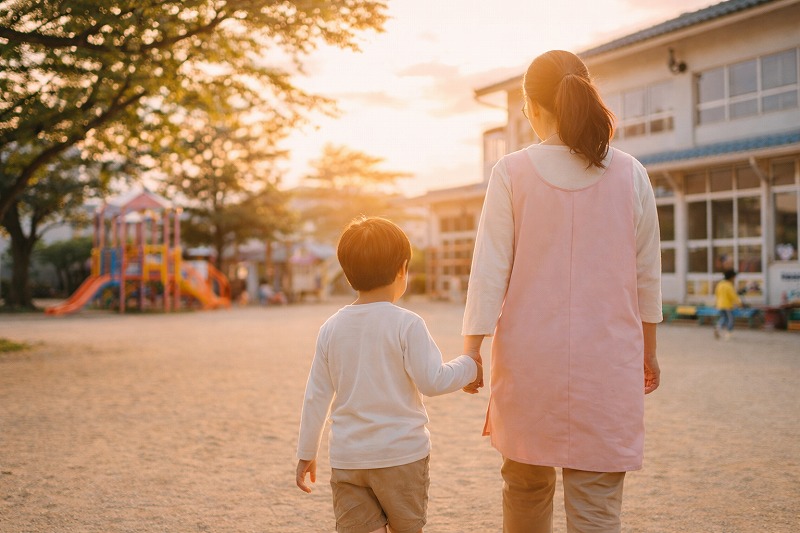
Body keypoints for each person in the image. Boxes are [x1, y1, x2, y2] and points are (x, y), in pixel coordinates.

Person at [461, 50, 663, 533]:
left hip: (530, 363)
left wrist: (472, 350)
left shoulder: (510, 173)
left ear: (531, 107)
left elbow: (489, 270)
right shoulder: (631, 173)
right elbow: (647, 277)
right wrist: (649, 353)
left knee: (525, 492)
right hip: (607, 364)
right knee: (596, 508)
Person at [296, 216, 483, 533]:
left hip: (348, 459)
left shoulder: (331, 328)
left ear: (347, 272)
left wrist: (306, 453)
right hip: (402, 456)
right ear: (402, 269)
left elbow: (316, 395)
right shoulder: (407, 324)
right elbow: (433, 380)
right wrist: (469, 364)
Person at [714, 269, 741, 340]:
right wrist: (739, 303)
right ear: (731, 277)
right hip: (728, 305)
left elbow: (717, 293)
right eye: (734, 277)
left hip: (720, 304)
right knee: (730, 319)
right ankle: (729, 333)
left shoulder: (720, 284)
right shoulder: (729, 285)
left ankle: (718, 327)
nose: (734, 279)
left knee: (723, 318)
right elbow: (733, 295)